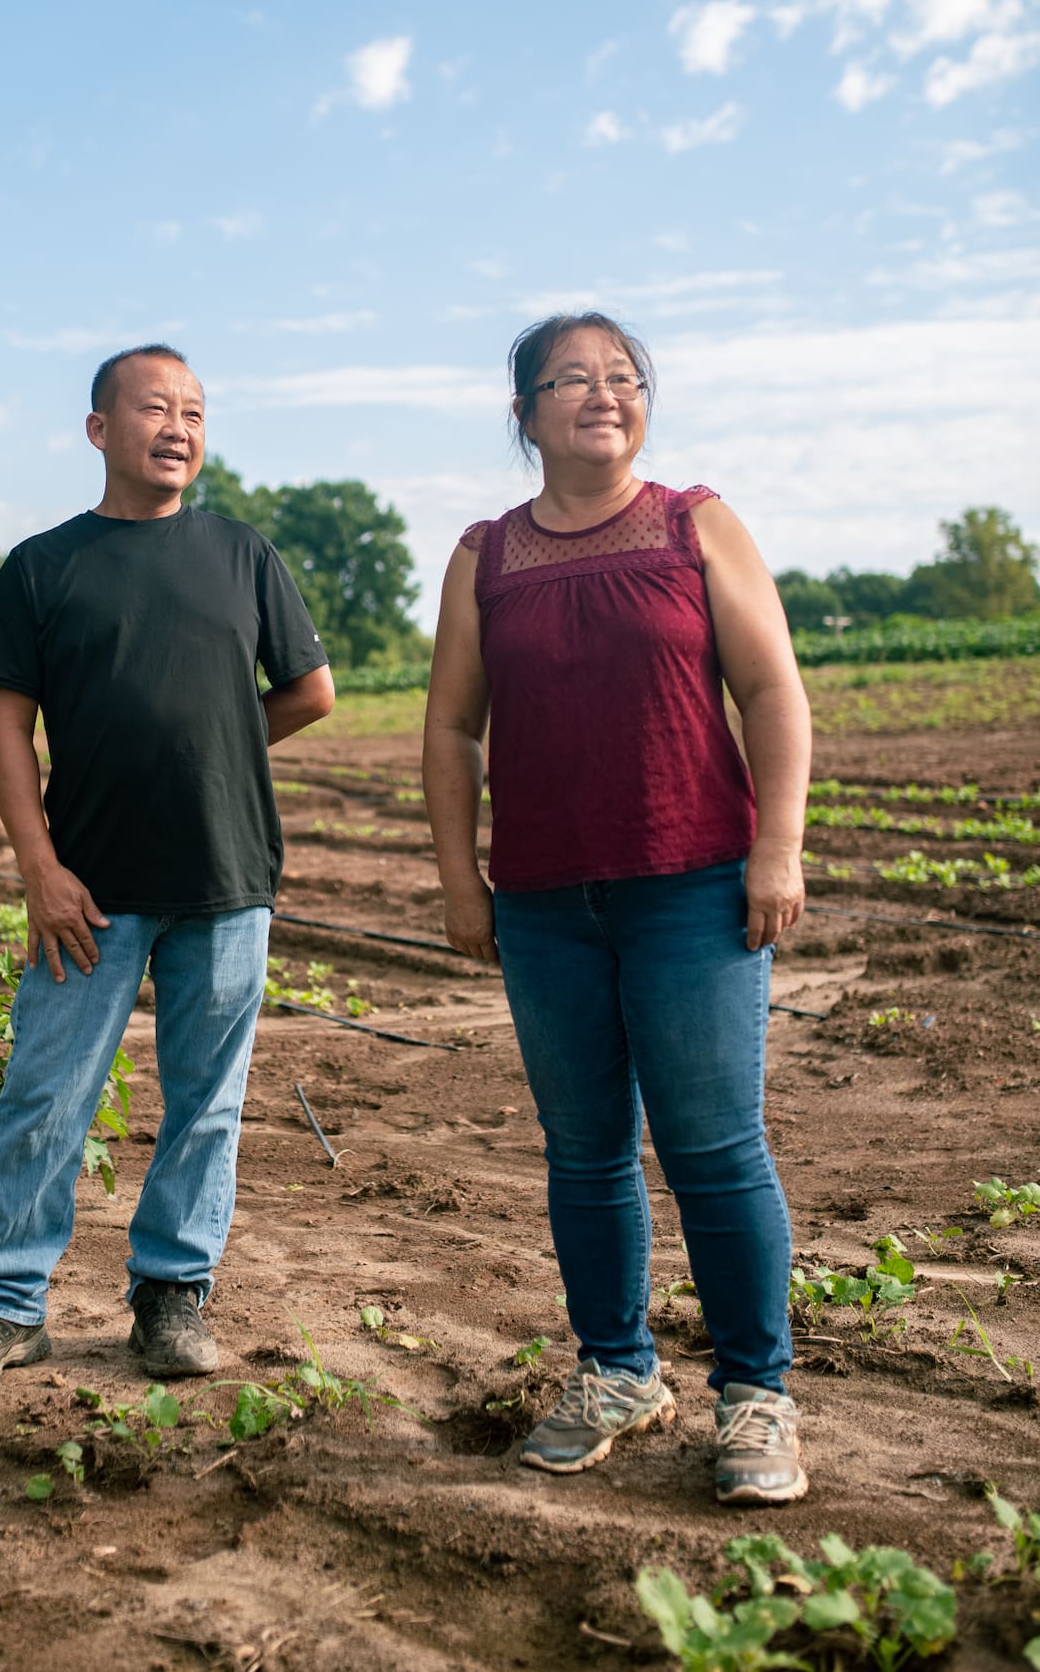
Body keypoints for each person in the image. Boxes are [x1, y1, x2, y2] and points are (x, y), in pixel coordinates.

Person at [422, 311, 811, 1505]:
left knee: (710, 1147)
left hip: (691, 883)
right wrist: (459, 877)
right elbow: (450, 725)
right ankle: (617, 1370)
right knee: (584, 1154)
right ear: (526, 413)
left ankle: (756, 1393)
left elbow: (771, 688)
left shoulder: (696, 521)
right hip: (544, 900)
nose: (605, 394)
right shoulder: (484, 552)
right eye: (573, 380)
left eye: (625, 377)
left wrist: (775, 848)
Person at [0, 344, 334, 1393]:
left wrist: (218, 751)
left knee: (208, 1100)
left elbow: (309, 691)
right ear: (100, 428)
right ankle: (5, 1304)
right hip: (87, 888)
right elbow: (7, 726)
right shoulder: (45, 565)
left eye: (194, 409)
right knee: (46, 1091)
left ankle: (171, 1296)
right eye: (154, 406)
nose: (178, 425)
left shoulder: (243, 553)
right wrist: (37, 865)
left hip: (228, 873)